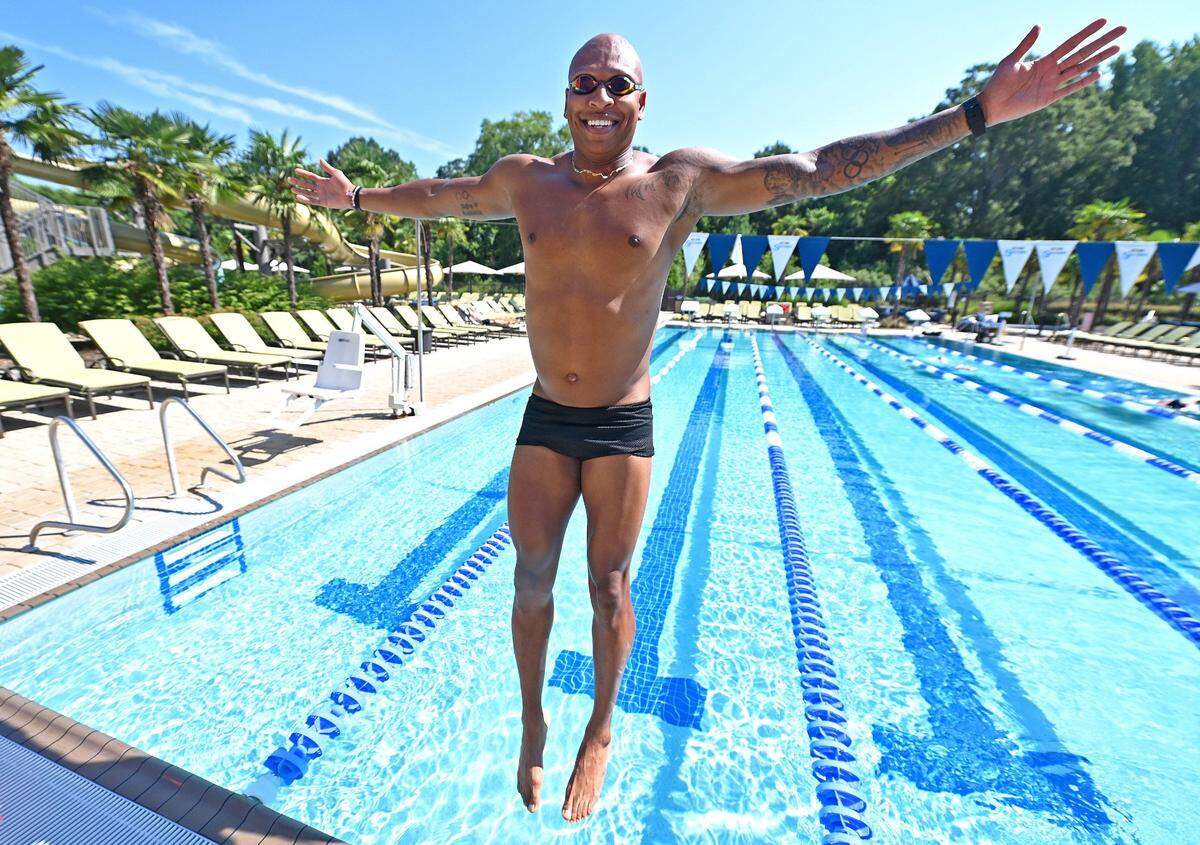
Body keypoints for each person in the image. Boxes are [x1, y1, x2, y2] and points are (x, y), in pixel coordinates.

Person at [289, 21, 1123, 822]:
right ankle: (534, 720)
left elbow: (818, 167)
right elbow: (446, 197)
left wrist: (974, 115)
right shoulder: (523, 180)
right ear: (566, 98)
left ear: (642, 102)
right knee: (529, 582)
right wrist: (360, 196)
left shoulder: (677, 183)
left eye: (619, 85)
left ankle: (599, 727)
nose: (601, 98)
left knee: (608, 586)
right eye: (587, 84)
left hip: (619, 425)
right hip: (546, 418)